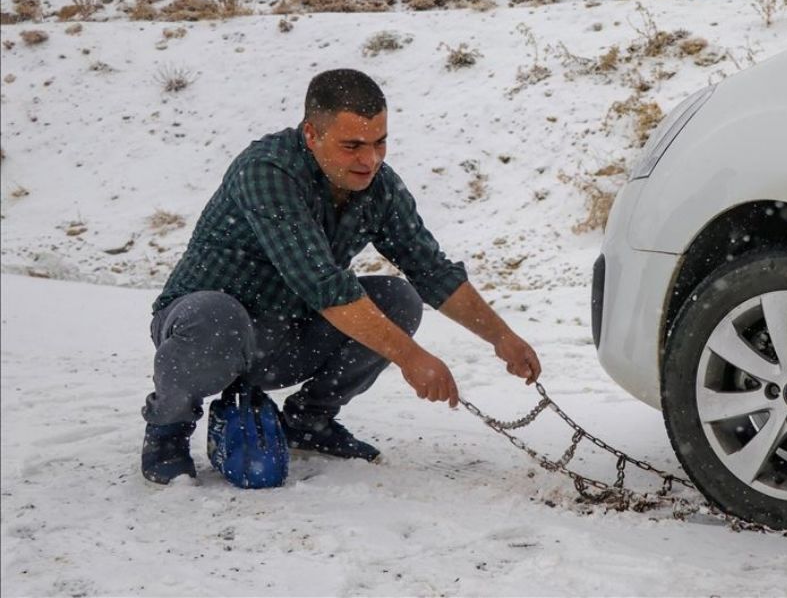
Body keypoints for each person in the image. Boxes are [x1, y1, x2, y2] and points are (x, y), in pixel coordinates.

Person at [140, 68, 541, 484]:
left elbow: (431, 269)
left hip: (289, 338)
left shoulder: (378, 187)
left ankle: (308, 421)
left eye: (379, 142)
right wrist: (410, 357)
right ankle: (167, 431)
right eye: (352, 145)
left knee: (397, 299)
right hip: (204, 333)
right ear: (312, 135)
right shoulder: (266, 171)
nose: (369, 160)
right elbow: (323, 284)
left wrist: (502, 337)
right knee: (215, 314)